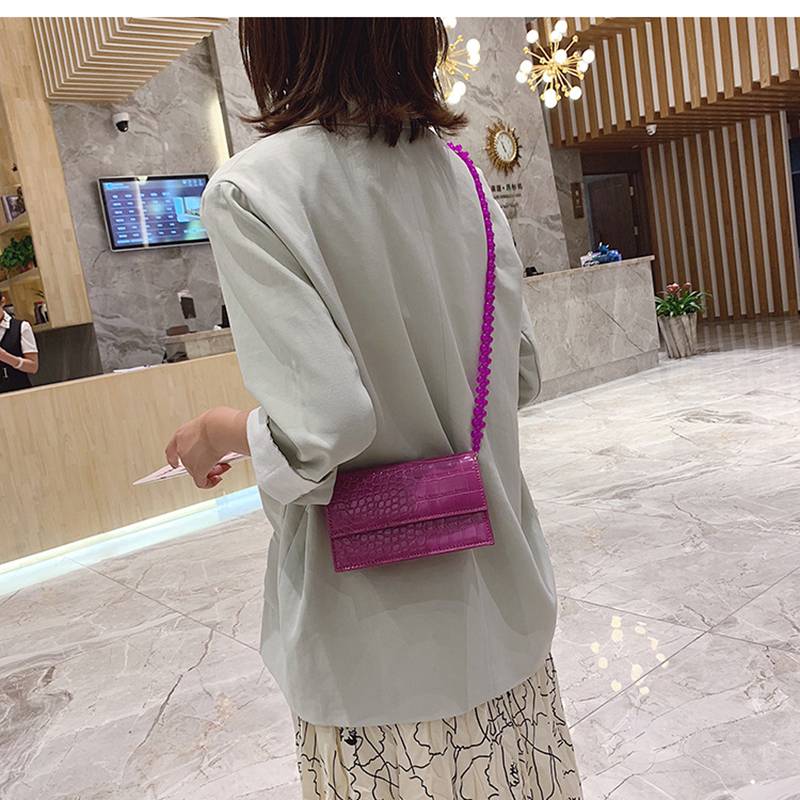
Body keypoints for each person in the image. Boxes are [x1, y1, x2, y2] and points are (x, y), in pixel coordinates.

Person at [166, 18, 582, 799]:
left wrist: (219, 431)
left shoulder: (252, 191)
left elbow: (326, 424)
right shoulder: (467, 179)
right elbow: (520, 374)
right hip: (505, 615)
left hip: (374, 653)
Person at [0, 292, 39, 393]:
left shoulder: (21, 327)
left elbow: (33, 367)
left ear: (2, 302)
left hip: (19, 392)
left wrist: (5, 357)